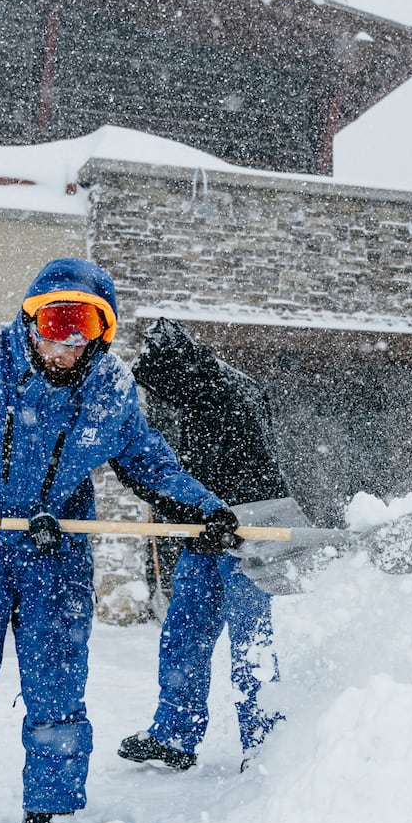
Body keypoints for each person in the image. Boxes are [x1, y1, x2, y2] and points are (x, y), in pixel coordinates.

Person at [0, 259, 241, 823]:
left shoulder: (112, 390)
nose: (65, 341)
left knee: (58, 691)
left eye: (83, 327)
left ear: (103, 332)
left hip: (55, 557)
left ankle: (50, 815)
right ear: (30, 318)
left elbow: (148, 461)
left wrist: (202, 509)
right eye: (55, 322)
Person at [113, 318, 290, 773]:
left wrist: (226, 517)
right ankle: (173, 735)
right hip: (206, 534)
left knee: (251, 645)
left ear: (178, 369)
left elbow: (253, 466)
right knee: (184, 634)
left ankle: (266, 744)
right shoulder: (197, 395)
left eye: (161, 386)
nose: (161, 397)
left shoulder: (231, 394)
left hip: (249, 533)